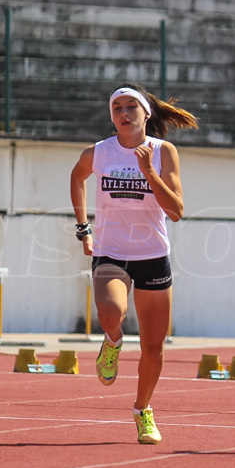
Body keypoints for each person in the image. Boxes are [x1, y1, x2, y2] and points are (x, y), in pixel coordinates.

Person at [70, 83, 198, 444]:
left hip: (153, 255)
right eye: (117, 109)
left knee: (153, 348)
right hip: (111, 251)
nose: (123, 115)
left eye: (130, 108)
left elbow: (176, 211)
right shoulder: (99, 153)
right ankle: (111, 342)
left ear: (145, 113)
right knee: (111, 311)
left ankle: (143, 410)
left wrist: (149, 172)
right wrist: (84, 228)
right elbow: (77, 178)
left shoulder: (163, 152)